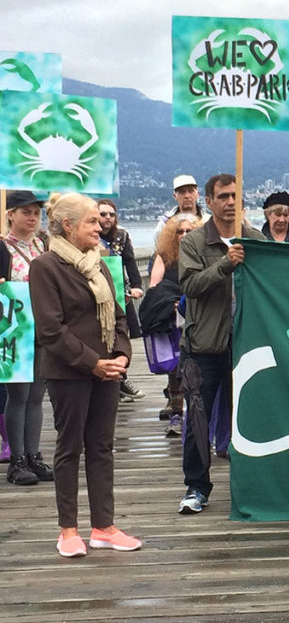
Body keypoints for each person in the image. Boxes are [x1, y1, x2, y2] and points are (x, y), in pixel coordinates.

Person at [29, 193, 140, 557]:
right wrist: (93, 361)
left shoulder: (101, 264)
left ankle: (103, 526)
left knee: (102, 448)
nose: (100, 226)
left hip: (107, 371)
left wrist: (121, 355)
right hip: (69, 373)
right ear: (68, 226)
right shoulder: (45, 266)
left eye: (100, 220)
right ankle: (68, 530)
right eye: (91, 221)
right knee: (69, 447)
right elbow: (50, 330)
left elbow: (120, 316)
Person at [177, 174, 263, 515]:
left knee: (250, 417)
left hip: (247, 344)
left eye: (235, 196)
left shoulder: (255, 239)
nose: (230, 202)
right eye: (223, 196)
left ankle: (253, 483)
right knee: (198, 419)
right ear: (209, 202)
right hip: (204, 345)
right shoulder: (194, 243)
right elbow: (191, 284)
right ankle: (196, 487)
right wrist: (225, 264)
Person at [2, 191, 52, 486]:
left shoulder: (42, 244)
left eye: (36, 212)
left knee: (37, 395)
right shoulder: (1, 247)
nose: (33, 218)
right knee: (18, 394)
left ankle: (33, 455)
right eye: (26, 212)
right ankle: (16, 460)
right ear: (10, 214)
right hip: (14, 327)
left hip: (42, 327)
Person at [141, 214, 199, 437]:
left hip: (198, 314)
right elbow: (155, 286)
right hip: (173, 316)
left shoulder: (200, 253)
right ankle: (177, 414)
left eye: (189, 231)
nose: (184, 235)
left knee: (196, 366)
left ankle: (197, 416)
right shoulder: (163, 256)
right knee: (175, 368)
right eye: (180, 231)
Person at [96, 199, 146, 405]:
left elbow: (130, 261)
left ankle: (121, 377)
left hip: (119, 293)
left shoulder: (122, 236)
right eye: (103, 214)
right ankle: (113, 380)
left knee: (121, 336)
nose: (108, 218)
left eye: (111, 214)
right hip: (97, 295)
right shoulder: (89, 235)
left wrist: (136, 286)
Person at [154, 174, 205, 247]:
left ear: (197, 194)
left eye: (191, 191)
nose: (187, 196)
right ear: (175, 196)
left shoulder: (208, 221)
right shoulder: (165, 224)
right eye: (182, 192)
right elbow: (159, 250)